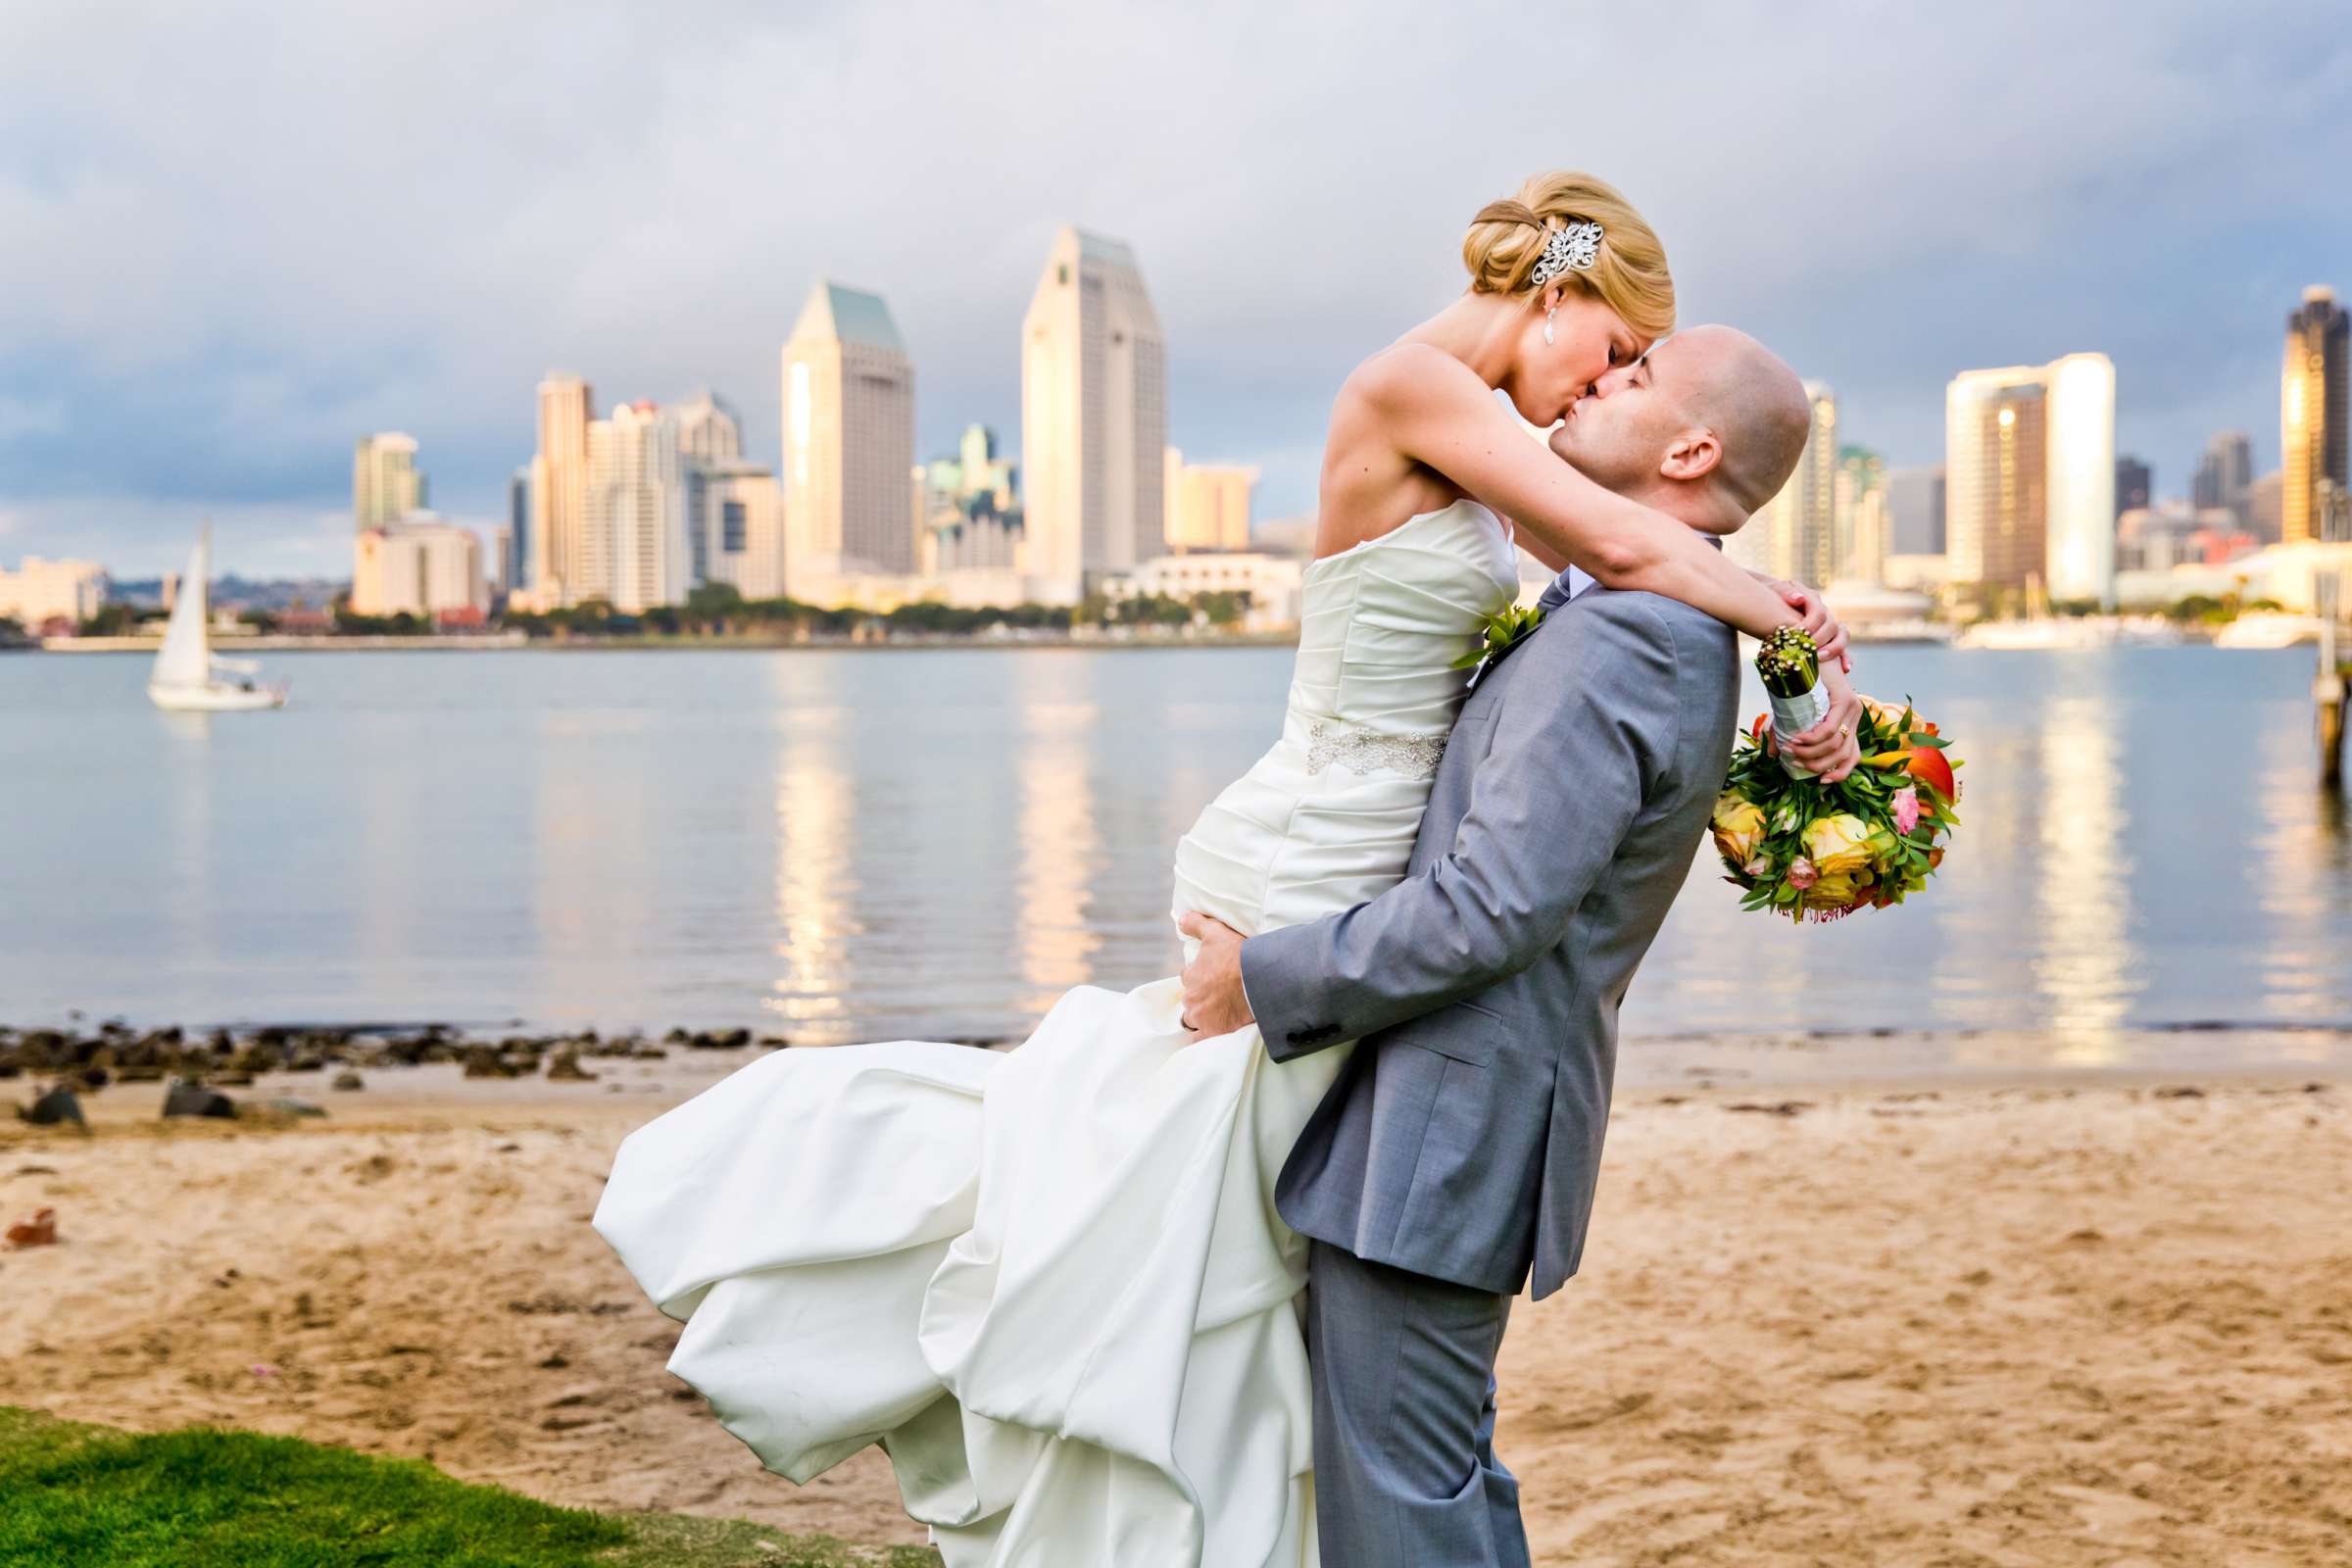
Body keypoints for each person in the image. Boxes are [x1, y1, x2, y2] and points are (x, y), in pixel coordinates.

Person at [594, 172, 1858, 1568]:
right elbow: (1622, 545)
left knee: (1254, 1301)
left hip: (1390, 951)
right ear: (1558, 292)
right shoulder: (1416, 395)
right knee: (1167, 1212)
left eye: (1633, 376)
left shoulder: (1602, 584)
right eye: (1615, 349)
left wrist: (1777, 639)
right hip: (1335, 853)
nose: (1599, 384)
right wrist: (1790, 629)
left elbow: (1604, 587)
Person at [1177, 321, 1814, 1567]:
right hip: (1454, 1117)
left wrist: (1254, 980)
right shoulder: (1640, 605)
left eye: (1633, 378)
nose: (1598, 382)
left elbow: (1491, 909)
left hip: (1451, 1128)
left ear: (1690, 447)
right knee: (1432, 1469)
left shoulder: (1632, 637)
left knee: (1401, 1494)